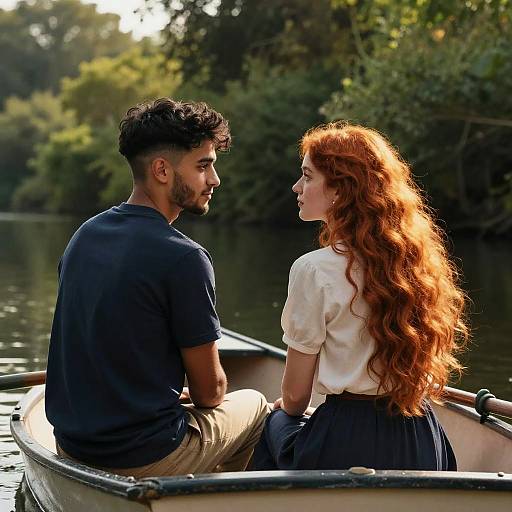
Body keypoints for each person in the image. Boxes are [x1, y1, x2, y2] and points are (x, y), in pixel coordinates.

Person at [45, 98, 269, 478]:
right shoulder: (184, 257)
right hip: (144, 456)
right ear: (162, 170)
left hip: (72, 445)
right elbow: (210, 394)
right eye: (203, 166)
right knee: (258, 405)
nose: (214, 180)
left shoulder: (84, 236)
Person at [252, 122, 468, 471]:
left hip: (349, 438)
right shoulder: (418, 264)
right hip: (421, 434)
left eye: (307, 176)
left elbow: (294, 398)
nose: (296, 187)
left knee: (274, 421)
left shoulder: (314, 269)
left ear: (340, 189)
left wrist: (294, 412)